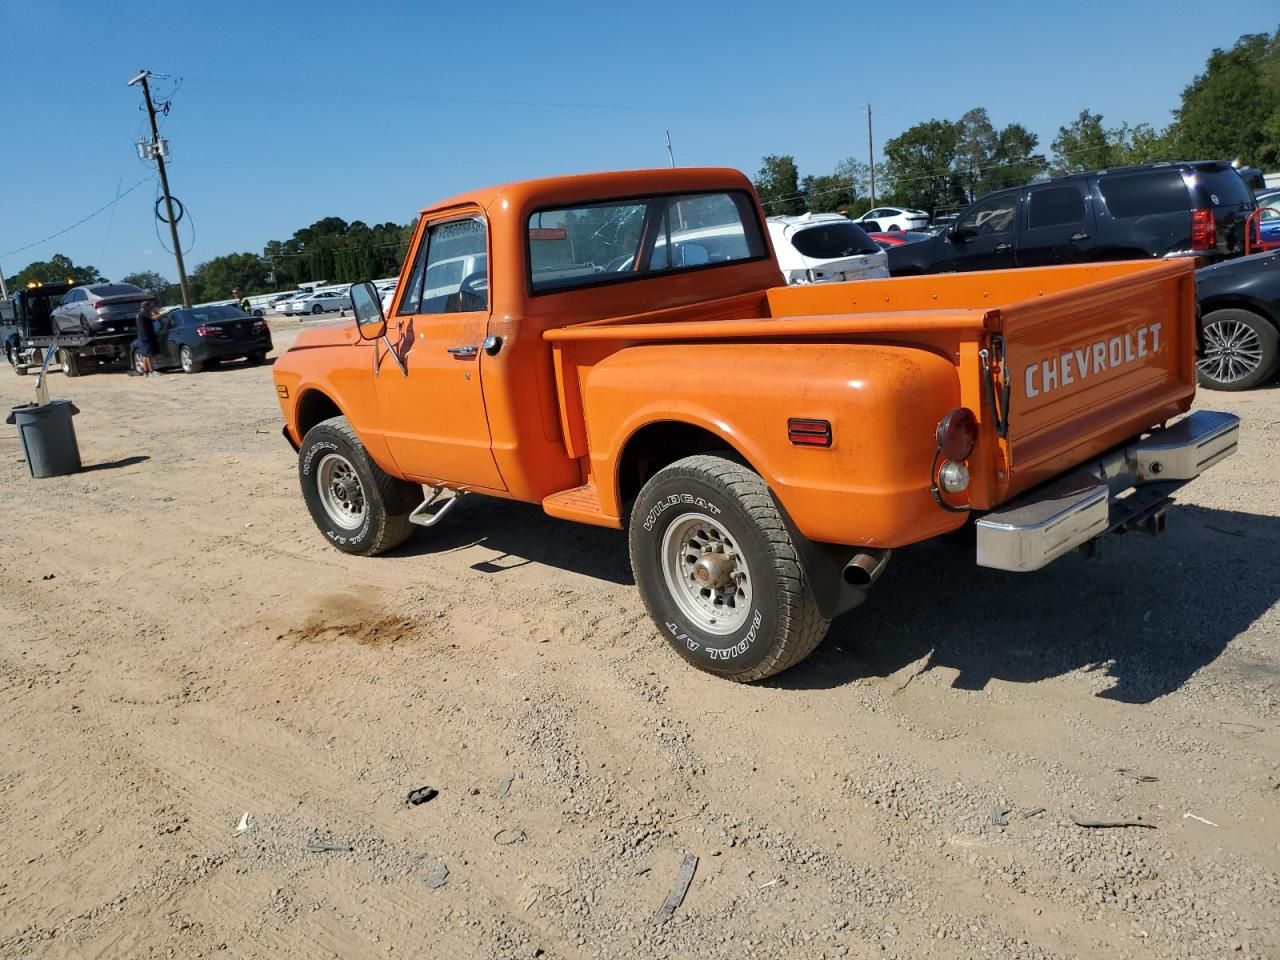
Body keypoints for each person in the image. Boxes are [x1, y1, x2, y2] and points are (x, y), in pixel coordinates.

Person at [135, 300, 161, 377]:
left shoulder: (139, 314)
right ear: (145, 307)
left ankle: (146, 372)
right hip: (146, 336)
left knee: (145, 355)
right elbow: (154, 318)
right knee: (149, 354)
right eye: (149, 306)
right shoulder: (143, 313)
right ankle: (151, 371)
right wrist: (162, 314)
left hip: (142, 336)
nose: (150, 308)